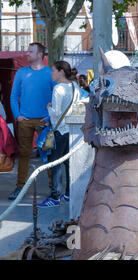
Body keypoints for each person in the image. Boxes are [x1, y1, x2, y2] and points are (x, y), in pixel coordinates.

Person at [8, 43, 56, 200]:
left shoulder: (50, 73)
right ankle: (20, 187)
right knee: (23, 154)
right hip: (25, 121)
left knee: (48, 154)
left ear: (40, 54)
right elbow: (14, 96)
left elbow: (57, 97)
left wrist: (49, 117)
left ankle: (53, 187)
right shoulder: (21, 73)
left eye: (30, 51)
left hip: (44, 121)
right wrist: (17, 115)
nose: (27, 53)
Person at [37, 61, 83, 207]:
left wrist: (48, 107)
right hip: (71, 130)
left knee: (54, 164)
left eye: (53, 71)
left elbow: (56, 113)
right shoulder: (75, 86)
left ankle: (55, 196)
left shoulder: (58, 89)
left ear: (61, 72)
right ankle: (69, 193)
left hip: (60, 130)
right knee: (69, 163)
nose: (51, 73)